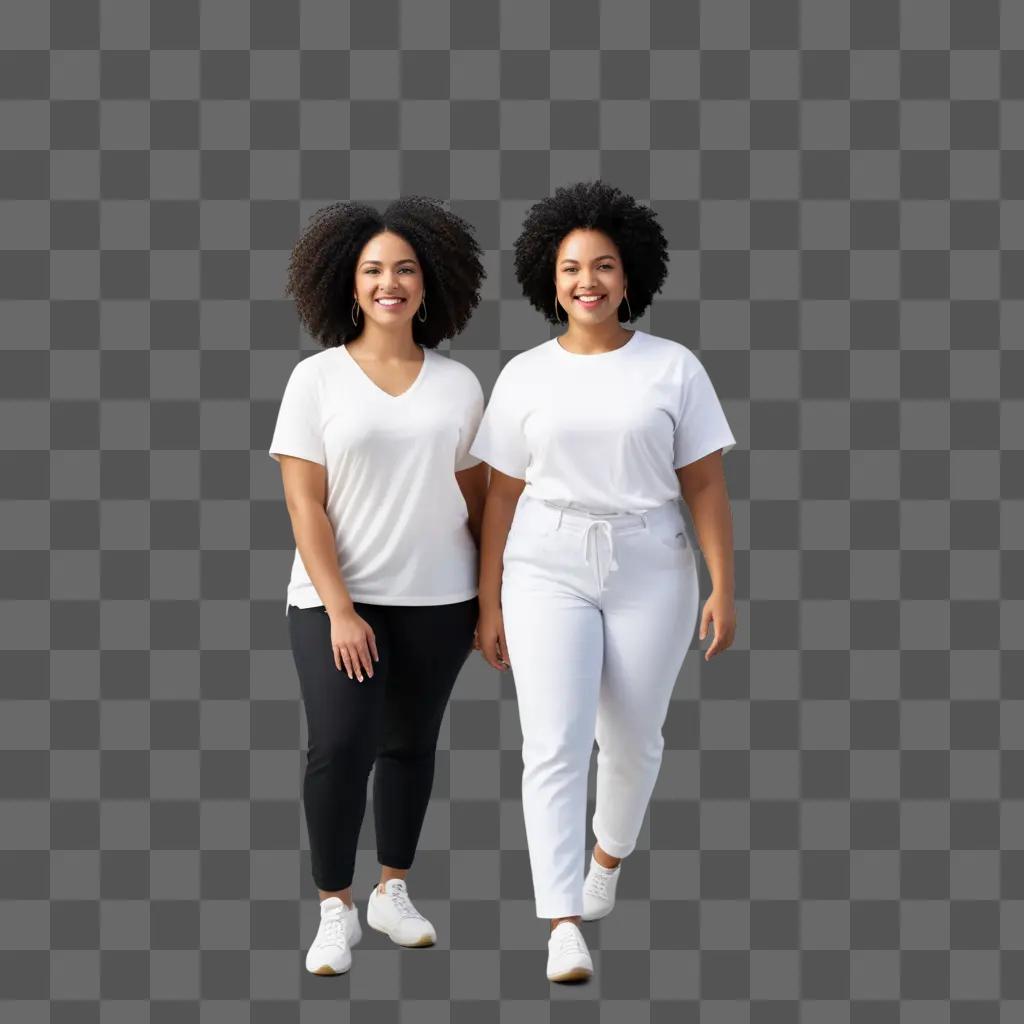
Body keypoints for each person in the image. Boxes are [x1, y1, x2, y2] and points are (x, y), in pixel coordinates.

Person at [470, 180, 738, 983]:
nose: (587, 280)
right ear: (548, 281)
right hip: (546, 563)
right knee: (551, 743)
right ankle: (561, 922)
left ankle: (607, 861)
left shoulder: (674, 368)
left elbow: (706, 485)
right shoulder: (523, 374)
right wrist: (489, 602)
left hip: (652, 563)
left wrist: (725, 584)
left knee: (631, 741)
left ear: (631, 278)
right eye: (570, 268)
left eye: (604, 266)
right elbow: (500, 496)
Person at [268, 197, 488, 976]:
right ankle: (335, 907)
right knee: (338, 746)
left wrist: (490, 606)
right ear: (347, 285)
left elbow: (481, 502)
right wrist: (340, 610)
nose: (389, 282)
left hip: (439, 600)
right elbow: (304, 504)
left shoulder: (461, 385)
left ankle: (394, 889)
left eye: (404, 269)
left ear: (429, 285)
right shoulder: (316, 379)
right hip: (335, 604)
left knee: (409, 746)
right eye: (372, 271)